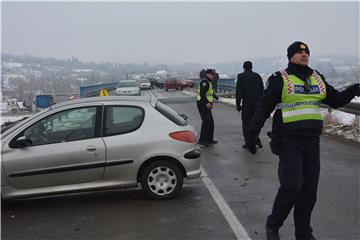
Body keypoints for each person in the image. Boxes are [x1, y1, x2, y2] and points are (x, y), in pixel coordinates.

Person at [248, 41, 360, 240]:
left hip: (312, 142)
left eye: (306, 51)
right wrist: (253, 132)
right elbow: (264, 106)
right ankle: (273, 225)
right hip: (289, 141)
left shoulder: (317, 77)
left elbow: (336, 100)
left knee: (309, 192)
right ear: (290, 55)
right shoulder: (280, 78)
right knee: (292, 185)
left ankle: (303, 232)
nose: (304, 54)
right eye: (299, 52)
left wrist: (355, 88)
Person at [236, 61, 264, 150]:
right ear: (251, 67)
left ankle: (248, 142)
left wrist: (238, 104)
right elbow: (262, 90)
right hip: (257, 103)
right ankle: (256, 139)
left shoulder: (241, 76)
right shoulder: (257, 76)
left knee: (246, 124)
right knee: (255, 123)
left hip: (247, 104)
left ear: (243, 67)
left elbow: (239, 92)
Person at [197, 68, 218, 146]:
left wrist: (215, 97)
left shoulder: (209, 81)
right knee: (206, 122)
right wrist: (207, 103)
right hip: (203, 104)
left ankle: (209, 139)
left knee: (210, 122)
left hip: (207, 104)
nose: (213, 76)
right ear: (208, 74)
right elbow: (202, 94)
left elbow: (209, 92)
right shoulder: (205, 82)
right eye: (212, 75)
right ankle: (202, 140)